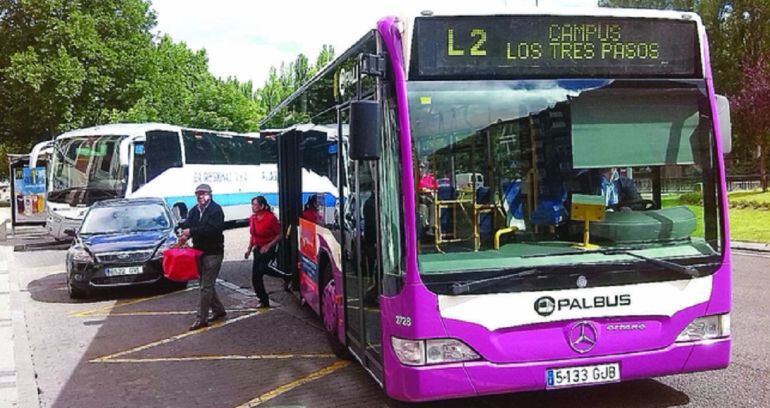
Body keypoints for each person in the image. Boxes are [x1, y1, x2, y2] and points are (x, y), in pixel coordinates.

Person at [179, 184, 227, 331]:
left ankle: (201, 319)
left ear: (210, 195)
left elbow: (213, 230)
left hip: (213, 253)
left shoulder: (216, 210)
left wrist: (191, 231)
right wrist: (183, 233)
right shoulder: (194, 210)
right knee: (206, 285)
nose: (200, 196)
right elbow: (188, 224)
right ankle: (219, 310)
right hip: (199, 252)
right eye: (198, 194)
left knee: (205, 287)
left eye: (203, 193)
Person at [244, 196, 287, 308]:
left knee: (263, 268)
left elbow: (280, 234)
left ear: (262, 206)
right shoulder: (252, 218)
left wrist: (268, 245)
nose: (253, 207)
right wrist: (249, 249)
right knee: (255, 277)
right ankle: (263, 300)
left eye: (255, 204)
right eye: (252, 204)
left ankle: (285, 276)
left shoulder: (270, 218)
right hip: (258, 248)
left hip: (270, 248)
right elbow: (253, 235)